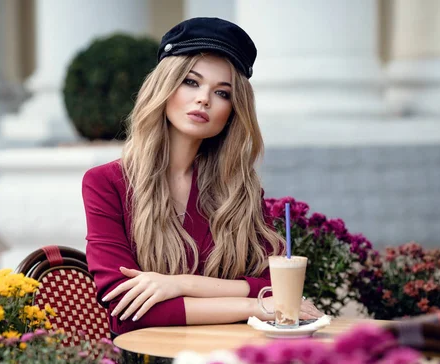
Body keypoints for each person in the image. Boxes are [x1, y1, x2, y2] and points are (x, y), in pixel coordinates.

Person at [82, 17, 322, 336]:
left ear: (234, 110)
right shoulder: (106, 183)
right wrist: (252, 306)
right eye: (191, 82)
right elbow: (125, 310)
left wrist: (178, 284)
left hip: (233, 358)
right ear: (165, 88)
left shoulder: (239, 188)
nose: (204, 99)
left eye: (222, 93)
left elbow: (272, 284)